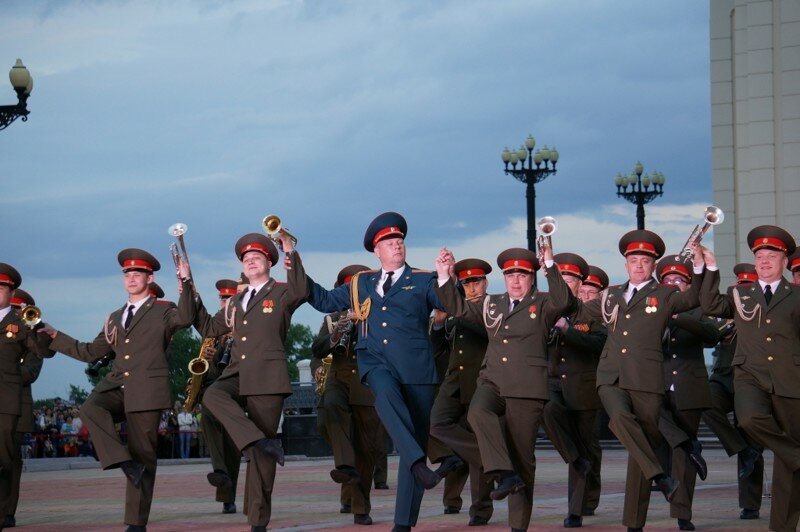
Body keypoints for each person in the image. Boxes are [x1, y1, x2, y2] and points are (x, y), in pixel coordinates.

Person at [288, 212, 448, 532]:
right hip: (376, 364)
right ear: (377, 251)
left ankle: (403, 521)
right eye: (389, 242)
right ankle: (420, 461)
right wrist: (292, 256)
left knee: (410, 443)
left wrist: (445, 277)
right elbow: (320, 298)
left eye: (399, 240)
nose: (396, 245)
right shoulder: (361, 283)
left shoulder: (423, 279)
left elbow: (450, 305)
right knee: (385, 395)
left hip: (416, 370)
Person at [39, 249, 195, 532]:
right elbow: (89, 351)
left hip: (147, 390)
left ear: (150, 277)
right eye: (128, 274)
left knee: (144, 455)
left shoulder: (164, 309)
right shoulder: (113, 317)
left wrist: (187, 282)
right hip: (118, 385)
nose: (132, 278)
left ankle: (136, 523)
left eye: (138, 273)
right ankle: (122, 461)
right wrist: (54, 336)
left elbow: (185, 317)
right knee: (90, 407)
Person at [434, 245, 572, 532]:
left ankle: (518, 525)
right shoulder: (491, 304)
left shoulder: (544, 304)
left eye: (522, 274)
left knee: (522, 458)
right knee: (477, 412)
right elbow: (458, 307)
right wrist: (444, 275)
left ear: (532, 278)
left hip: (526, 389)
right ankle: (502, 471)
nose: (516, 280)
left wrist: (549, 264)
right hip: (492, 381)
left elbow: (564, 300)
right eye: (510, 275)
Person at [585, 230, 704, 532]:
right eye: (633, 260)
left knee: (643, 450)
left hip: (647, 381)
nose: (638, 265)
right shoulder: (609, 295)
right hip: (611, 375)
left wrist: (703, 269)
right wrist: (549, 269)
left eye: (645, 260)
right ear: (625, 264)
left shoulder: (665, 294)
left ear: (653, 265)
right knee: (621, 416)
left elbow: (693, 298)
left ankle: (634, 522)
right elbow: (574, 309)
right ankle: (661, 476)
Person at [195, 233, 305, 532]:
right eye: (245, 259)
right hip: (236, 374)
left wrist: (290, 252)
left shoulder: (281, 292)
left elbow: (301, 289)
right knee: (212, 395)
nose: (250, 261)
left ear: (269, 262)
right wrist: (189, 288)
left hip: (268, 378)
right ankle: (256, 442)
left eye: (256, 257)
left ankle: (258, 521)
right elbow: (207, 326)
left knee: (262, 462)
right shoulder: (234, 302)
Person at [697, 225, 800, 532]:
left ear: (785, 261)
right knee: (750, 418)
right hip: (749, 376)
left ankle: (782, 526)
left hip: (790, 378)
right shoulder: (741, 294)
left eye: (772, 255)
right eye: (759, 255)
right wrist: (709, 268)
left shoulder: (796, 295)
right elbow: (710, 304)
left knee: (787, 462)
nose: (764, 260)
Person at [311, 264, 385, 526]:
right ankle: (344, 465)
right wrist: (336, 333)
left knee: (366, 448)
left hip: (367, 383)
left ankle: (360, 507)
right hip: (338, 379)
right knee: (330, 407)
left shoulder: (379, 315)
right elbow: (316, 350)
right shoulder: (332, 319)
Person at [655, 255, 721, 531]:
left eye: (678, 280)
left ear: (688, 285)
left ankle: (683, 514)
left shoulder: (695, 308)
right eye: (667, 280)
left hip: (688, 387)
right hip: (656, 385)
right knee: (657, 433)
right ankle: (687, 447)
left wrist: (678, 317)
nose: (672, 284)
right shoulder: (651, 309)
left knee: (683, 459)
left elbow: (711, 335)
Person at [540, 253, 607, 529]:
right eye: (561, 280)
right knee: (548, 410)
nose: (565, 285)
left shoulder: (592, 312)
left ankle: (579, 508)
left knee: (587, 444)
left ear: (580, 284)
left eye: (570, 280)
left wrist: (569, 330)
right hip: (552, 382)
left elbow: (601, 344)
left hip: (583, 386)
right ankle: (576, 460)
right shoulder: (544, 309)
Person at [428, 258, 494, 527]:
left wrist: (458, 310)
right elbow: (438, 350)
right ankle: (486, 457)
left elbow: (484, 330)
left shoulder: (494, 306)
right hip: (454, 381)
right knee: (435, 424)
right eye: (466, 283)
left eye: (476, 281)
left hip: (482, 382)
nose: (472, 287)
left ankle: (480, 510)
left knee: (477, 435)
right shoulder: (455, 309)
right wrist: (439, 325)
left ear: (485, 282)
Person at [700, 263, 763, 521]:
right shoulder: (726, 311)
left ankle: (750, 504)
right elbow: (707, 338)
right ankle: (740, 449)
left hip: (754, 380)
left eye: (749, 286)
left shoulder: (764, 312)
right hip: (724, 378)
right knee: (706, 403)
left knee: (752, 437)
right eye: (741, 286)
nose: (744, 291)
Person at [199, 277, 247, 515]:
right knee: (206, 413)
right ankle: (219, 471)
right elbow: (208, 369)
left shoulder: (245, 322)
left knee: (232, 447)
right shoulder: (213, 330)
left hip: (237, 388)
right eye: (223, 298)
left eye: (229, 298)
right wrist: (206, 358)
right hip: (214, 388)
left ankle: (228, 497)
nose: (225, 301)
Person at [5, 287, 46, 528]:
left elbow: (30, 372)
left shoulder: (32, 341)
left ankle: (8, 511)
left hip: (18, 407)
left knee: (10, 461)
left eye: (18, 312)